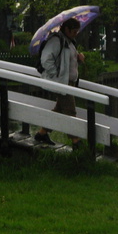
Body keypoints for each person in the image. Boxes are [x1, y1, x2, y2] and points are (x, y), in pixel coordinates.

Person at [34, 17, 86, 148]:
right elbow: (46, 60)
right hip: (63, 83)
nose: (76, 34)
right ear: (66, 29)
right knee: (70, 111)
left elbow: (67, 61)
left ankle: (42, 133)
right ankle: (76, 141)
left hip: (69, 82)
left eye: (77, 32)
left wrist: (78, 58)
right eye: (74, 31)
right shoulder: (56, 40)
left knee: (59, 109)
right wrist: (56, 76)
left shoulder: (69, 41)